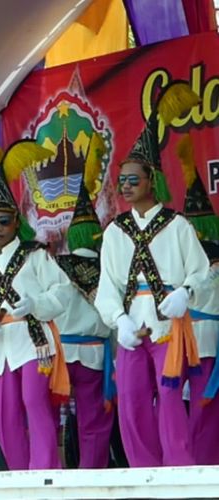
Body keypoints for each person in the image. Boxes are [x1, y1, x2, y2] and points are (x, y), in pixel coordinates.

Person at [95, 82, 208, 467]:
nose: (125, 186)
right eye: (121, 181)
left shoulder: (177, 226)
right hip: (131, 325)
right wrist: (119, 321)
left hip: (168, 324)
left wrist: (186, 292)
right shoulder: (113, 231)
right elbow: (106, 286)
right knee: (131, 401)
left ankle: (180, 470)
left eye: (133, 180)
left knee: (172, 398)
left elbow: (201, 270)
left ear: (152, 181)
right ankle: (144, 472)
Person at [0, 140, 69, 470]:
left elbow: (62, 291)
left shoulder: (35, 254)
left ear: (15, 223)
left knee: (34, 404)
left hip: (34, 341)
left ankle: (45, 473)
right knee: (2, 411)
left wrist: (35, 303)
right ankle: (13, 476)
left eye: (3, 221)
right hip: (0, 345)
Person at [53, 133, 115, 468]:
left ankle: (54, 473)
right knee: (93, 419)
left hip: (60, 352)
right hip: (93, 354)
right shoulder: (107, 266)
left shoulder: (55, 265)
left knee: (51, 418)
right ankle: (92, 475)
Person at [176, 133, 219, 466]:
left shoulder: (181, 262)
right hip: (194, 341)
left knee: (194, 409)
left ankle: (193, 466)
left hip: (192, 341)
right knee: (202, 410)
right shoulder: (182, 262)